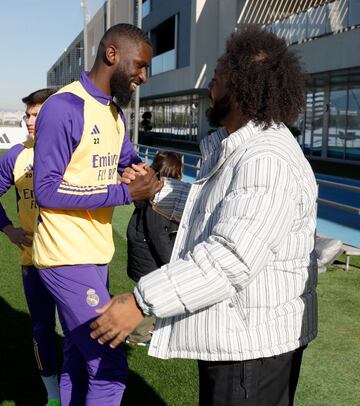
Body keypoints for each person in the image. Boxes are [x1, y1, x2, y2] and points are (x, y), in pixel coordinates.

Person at [90, 25, 318, 406]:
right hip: (239, 341)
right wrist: (157, 188)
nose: (209, 89)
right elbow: (212, 209)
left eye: (217, 80)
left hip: (250, 350)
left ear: (244, 89)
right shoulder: (243, 149)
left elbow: (230, 258)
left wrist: (141, 303)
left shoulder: (267, 160)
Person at [32, 24, 162, 405]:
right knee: (108, 367)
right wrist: (124, 192)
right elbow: (46, 189)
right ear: (112, 55)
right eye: (139, 65)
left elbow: (126, 160)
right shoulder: (64, 107)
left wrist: (145, 173)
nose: (143, 76)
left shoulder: (114, 113)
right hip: (64, 256)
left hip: (96, 255)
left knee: (77, 358)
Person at [0, 88, 60, 406]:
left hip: (72, 259)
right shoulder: (16, 156)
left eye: (36, 114)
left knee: (83, 329)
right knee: (42, 327)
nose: (29, 120)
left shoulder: (72, 152)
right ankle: (52, 395)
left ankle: (80, 385)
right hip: (33, 259)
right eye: (27, 114)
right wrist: (8, 228)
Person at [126, 151, 183, 345]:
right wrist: (171, 262)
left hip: (143, 252)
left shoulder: (149, 190)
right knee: (150, 296)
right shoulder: (158, 198)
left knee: (144, 294)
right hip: (149, 257)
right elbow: (158, 235)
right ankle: (138, 335)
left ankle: (138, 329)